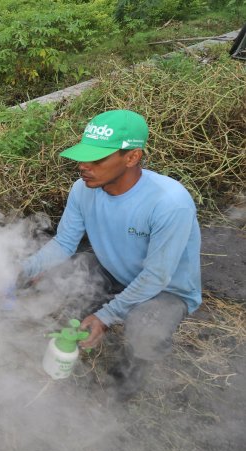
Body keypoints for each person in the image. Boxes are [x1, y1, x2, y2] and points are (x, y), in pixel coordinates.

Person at [19, 109, 202, 399]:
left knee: (146, 324)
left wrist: (106, 316)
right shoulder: (83, 189)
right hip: (114, 269)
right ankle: (72, 337)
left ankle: (127, 378)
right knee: (69, 273)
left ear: (132, 157)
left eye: (97, 159)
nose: (83, 166)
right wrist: (21, 272)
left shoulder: (170, 203)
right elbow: (64, 243)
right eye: (82, 156)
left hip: (166, 289)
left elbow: (156, 275)